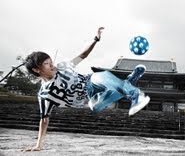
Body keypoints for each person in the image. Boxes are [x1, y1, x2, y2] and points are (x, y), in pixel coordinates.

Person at [21, 27, 150, 152]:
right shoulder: (44, 95)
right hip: (90, 99)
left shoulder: (62, 67)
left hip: (90, 82)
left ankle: (135, 95)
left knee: (100, 76)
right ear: (37, 70)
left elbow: (83, 55)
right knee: (96, 106)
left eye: (51, 61)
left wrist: (96, 39)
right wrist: (38, 145)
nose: (52, 65)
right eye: (47, 64)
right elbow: (44, 119)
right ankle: (129, 82)